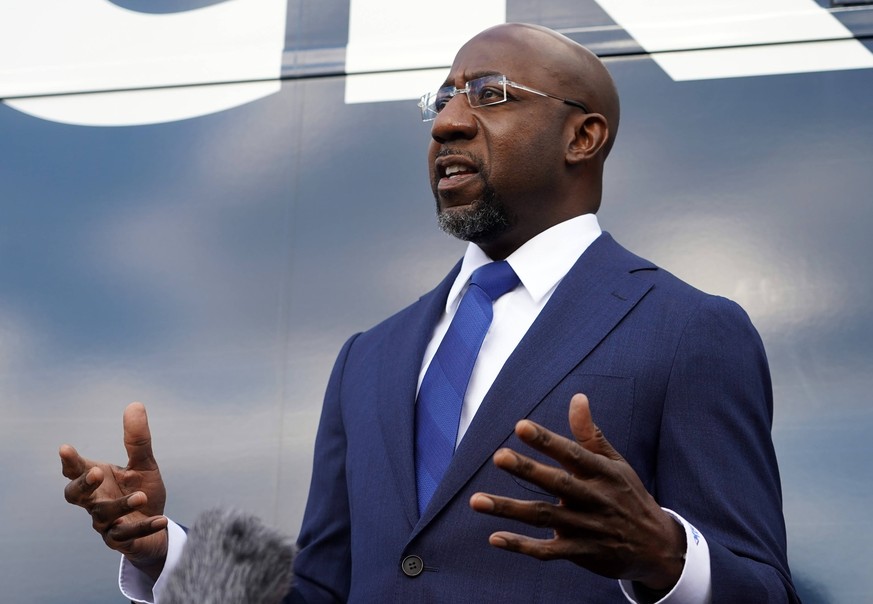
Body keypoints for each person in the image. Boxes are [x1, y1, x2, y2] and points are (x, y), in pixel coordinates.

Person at [60, 23, 800, 603]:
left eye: (489, 94)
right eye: (440, 100)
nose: (446, 122)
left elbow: (762, 586)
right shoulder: (371, 355)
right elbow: (325, 591)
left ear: (583, 136)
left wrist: (664, 554)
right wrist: (166, 551)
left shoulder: (687, 329)